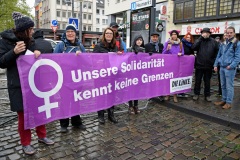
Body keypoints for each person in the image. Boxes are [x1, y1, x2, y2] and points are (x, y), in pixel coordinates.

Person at [0, 12, 54, 155]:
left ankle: (42, 136)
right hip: (17, 84)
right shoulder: (4, 41)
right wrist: (14, 52)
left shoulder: (30, 40)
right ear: (24, 30)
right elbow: (2, 62)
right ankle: (26, 143)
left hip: (34, 83)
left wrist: (36, 52)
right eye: (30, 29)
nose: (33, 32)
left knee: (39, 111)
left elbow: (35, 56)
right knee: (23, 116)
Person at [54, 24, 86, 133]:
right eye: (68, 32)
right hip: (64, 78)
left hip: (77, 78)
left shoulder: (80, 46)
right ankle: (64, 124)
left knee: (76, 101)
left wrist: (81, 56)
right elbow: (54, 60)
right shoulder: (60, 45)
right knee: (65, 102)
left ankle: (76, 122)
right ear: (65, 33)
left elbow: (86, 61)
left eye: (72, 31)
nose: (70, 33)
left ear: (75, 33)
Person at [93, 27, 121, 124]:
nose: (109, 35)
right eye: (107, 33)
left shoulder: (115, 47)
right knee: (100, 95)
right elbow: (93, 60)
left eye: (111, 33)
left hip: (111, 75)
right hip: (101, 75)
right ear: (104, 35)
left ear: (113, 36)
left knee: (111, 95)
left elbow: (116, 61)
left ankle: (111, 114)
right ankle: (100, 116)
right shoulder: (98, 46)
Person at [213, 26, 240, 109]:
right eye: (227, 32)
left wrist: (231, 66)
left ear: (234, 33)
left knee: (229, 86)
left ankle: (229, 102)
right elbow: (219, 55)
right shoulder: (223, 43)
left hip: (229, 68)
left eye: (231, 32)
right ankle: (223, 100)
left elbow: (237, 57)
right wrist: (215, 64)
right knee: (223, 85)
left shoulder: (237, 43)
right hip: (222, 67)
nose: (229, 34)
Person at [192, 28, 219, 102]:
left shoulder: (214, 42)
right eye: (204, 32)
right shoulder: (199, 40)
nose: (205, 34)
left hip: (209, 65)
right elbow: (193, 47)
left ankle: (207, 95)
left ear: (209, 33)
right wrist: (200, 38)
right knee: (197, 80)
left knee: (207, 81)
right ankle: (196, 94)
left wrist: (214, 62)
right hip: (199, 65)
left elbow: (217, 52)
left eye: (207, 32)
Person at [162, 30, 184, 103]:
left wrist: (181, 54)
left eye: (175, 34)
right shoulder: (167, 43)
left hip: (177, 64)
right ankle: (168, 95)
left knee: (175, 80)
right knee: (168, 79)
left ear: (177, 35)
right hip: (169, 64)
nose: (174, 36)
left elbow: (183, 52)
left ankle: (175, 95)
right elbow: (163, 53)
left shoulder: (180, 43)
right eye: (173, 34)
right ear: (171, 35)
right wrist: (167, 49)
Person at [127, 35, 145, 114]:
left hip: (138, 73)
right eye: (137, 40)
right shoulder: (130, 49)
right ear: (134, 41)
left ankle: (136, 105)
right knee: (131, 90)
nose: (139, 41)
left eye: (140, 40)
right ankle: (130, 106)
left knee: (137, 90)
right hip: (131, 73)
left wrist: (150, 56)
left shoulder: (143, 50)